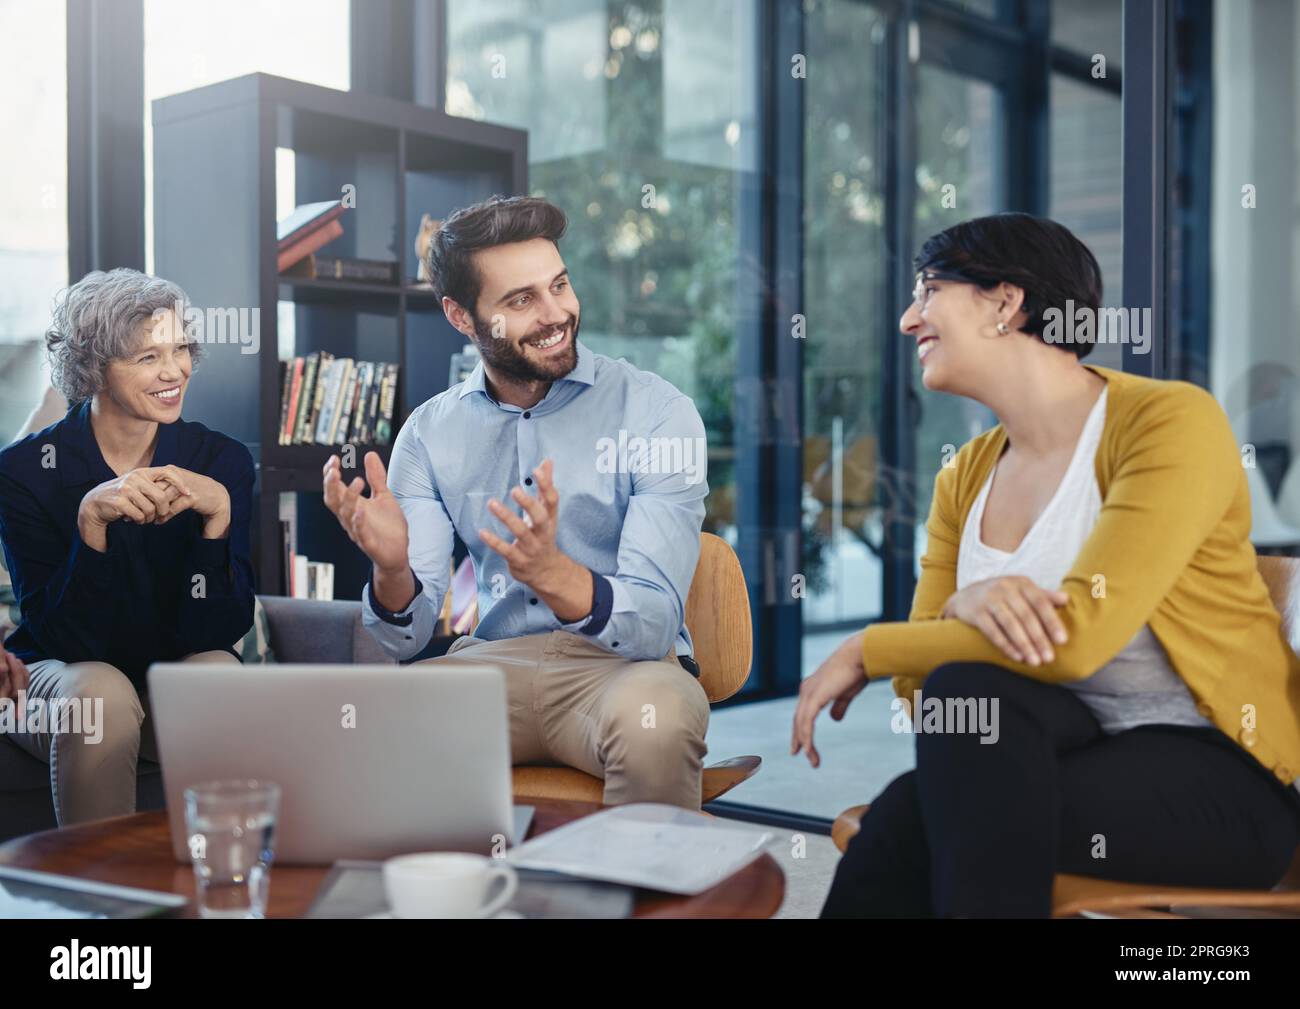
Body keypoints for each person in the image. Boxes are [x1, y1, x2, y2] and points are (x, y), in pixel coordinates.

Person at [791, 213, 1300, 917]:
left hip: (1219, 778)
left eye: (930, 289)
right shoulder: (963, 476)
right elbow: (921, 687)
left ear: (1006, 303)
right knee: (967, 706)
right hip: (1056, 750)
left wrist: (864, 647)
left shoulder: (1170, 422)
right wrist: (968, 607)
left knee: (912, 820)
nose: (910, 318)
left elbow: (1082, 635)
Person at [322, 196, 711, 809]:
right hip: (489, 668)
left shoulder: (658, 413)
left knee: (653, 722)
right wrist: (393, 571)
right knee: (353, 724)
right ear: (461, 316)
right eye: (521, 299)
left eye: (559, 284)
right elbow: (404, 638)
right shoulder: (427, 433)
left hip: (622, 672)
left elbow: (656, 622)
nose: (557, 313)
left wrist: (557, 577)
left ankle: (646, 903)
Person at [0, 269, 255, 826]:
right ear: (93, 369)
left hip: (168, 676)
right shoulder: (25, 471)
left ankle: (224, 885)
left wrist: (218, 522)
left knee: (218, 674)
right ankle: (103, 903)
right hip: (56, 679)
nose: (174, 372)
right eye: (147, 358)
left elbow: (215, 633)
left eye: (180, 348)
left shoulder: (222, 462)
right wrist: (91, 523)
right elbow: (64, 637)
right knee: (104, 693)